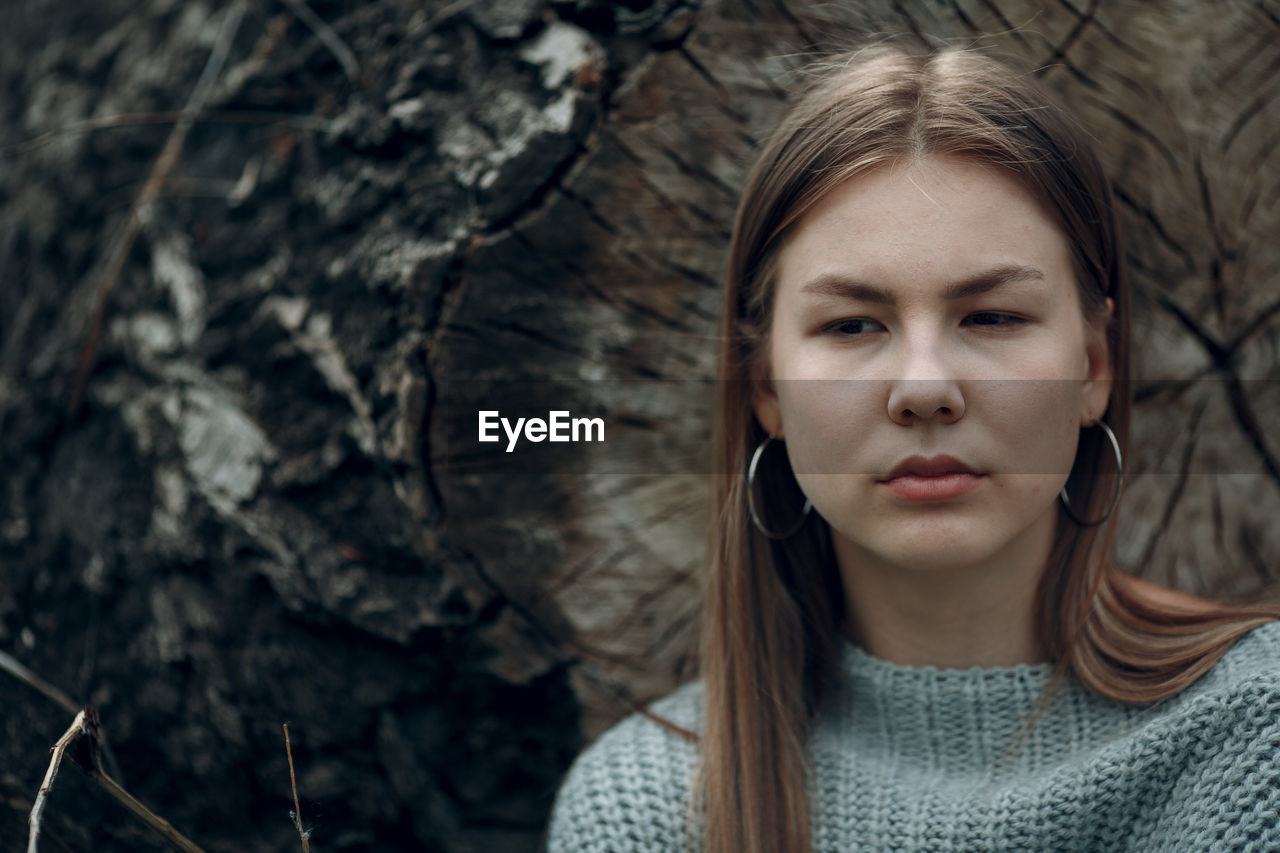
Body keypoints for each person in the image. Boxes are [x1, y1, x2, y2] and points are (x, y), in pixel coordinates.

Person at [544, 42, 1280, 853]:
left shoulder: (1253, 736)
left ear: (1093, 366)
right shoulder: (650, 807)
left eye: (992, 316)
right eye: (852, 324)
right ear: (765, 388)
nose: (924, 388)